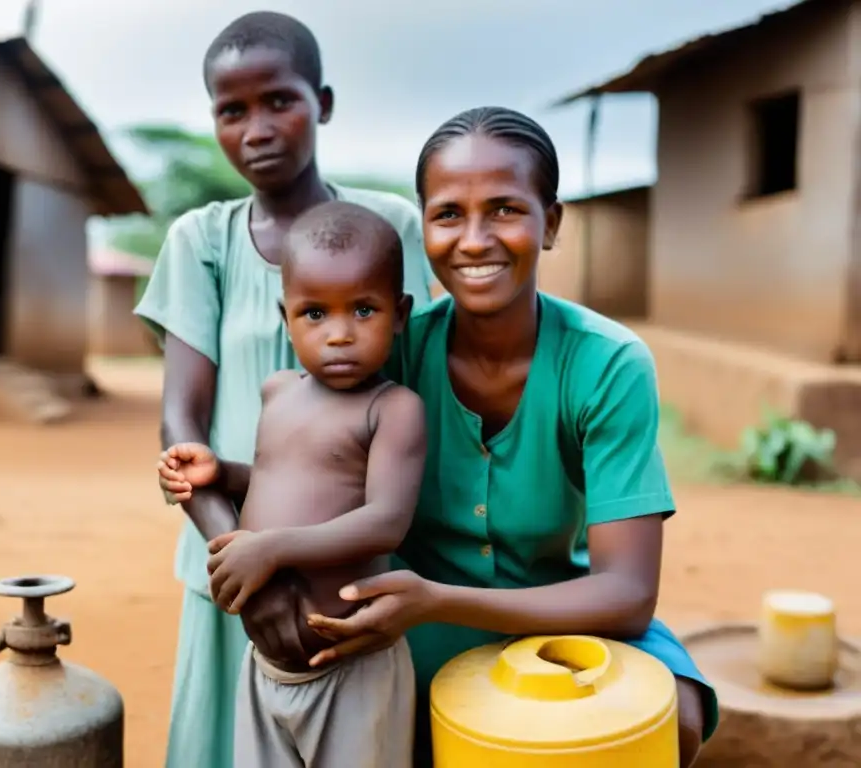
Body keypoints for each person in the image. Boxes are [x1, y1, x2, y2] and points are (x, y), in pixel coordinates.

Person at [193, 107, 721, 767]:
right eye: (447, 214)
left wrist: (438, 600)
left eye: (504, 209)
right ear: (424, 228)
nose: (474, 240)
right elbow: (293, 477)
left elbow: (627, 594)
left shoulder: (605, 364)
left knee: (673, 716)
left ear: (550, 223)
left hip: (555, 609)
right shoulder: (387, 353)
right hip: (404, 623)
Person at [134, 12, 435, 768]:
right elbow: (183, 420)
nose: (257, 128)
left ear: (322, 102)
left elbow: (424, 389)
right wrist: (247, 570)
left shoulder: (389, 224)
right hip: (226, 568)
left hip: (355, 581)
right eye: (232, 111)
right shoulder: (202, 240)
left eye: (280, 101)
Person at [158, 201, 426, 767]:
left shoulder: (393, 408)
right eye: (314, 314)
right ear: (285, 316)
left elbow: (385, 520)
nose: (339, 335)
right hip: (265, 666)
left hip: (350, 661)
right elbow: (286, 483)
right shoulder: (278, 392)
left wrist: (271, 549)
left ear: (399, 314)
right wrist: (224, 474)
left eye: (363, 310)